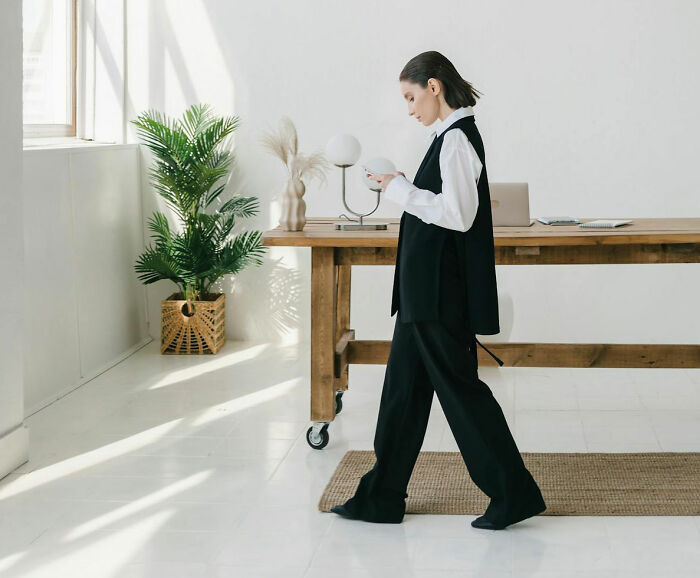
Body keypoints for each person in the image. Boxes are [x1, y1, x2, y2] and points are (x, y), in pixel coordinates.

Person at [330, 51, 546, 530]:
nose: (409, 109)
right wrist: (403, 185)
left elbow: (458, 215)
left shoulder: (456, 141)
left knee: (461, 392)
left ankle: (513, 493)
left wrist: (398, 189)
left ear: (434, 86)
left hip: (437, 297)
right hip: (421, 295)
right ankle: (383, 495)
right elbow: (446, 206)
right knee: (402, 394)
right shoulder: (444, 139)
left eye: (411, 97)